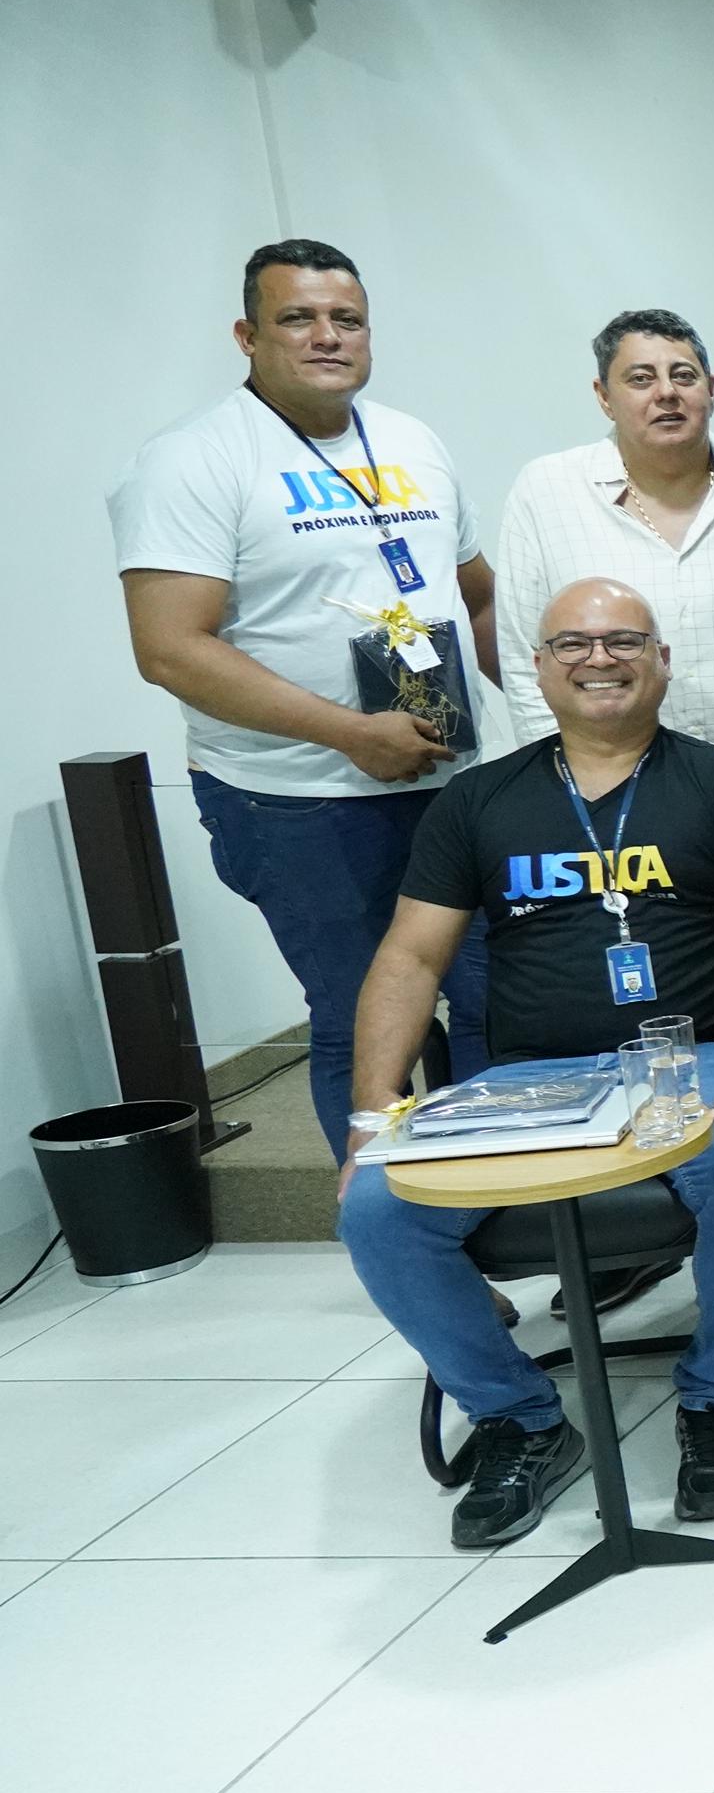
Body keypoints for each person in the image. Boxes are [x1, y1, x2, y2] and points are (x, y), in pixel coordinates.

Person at [332, 579, 714, 1545]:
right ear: (538, 669)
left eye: (625, 639)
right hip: (532, 1080)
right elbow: (410, 958)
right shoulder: (481, 802)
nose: (601, 658)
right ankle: (520, 1419)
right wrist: (371, 1112)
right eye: (574, 644)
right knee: (378, 1208)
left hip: (691, 1060)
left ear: (663, 662)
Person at [113, 239, 495, 1158]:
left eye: (347, 319)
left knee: (495, 999)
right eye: (298, 317)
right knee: (368, 1022)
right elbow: (169, 649)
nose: (328, 336)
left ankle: (513, 1213)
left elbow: (475, 592)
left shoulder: (411, 439)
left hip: (449, 784)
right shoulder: (190, 461)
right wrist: (351, 734)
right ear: (248, 334)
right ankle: (412, 1253)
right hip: (301, 801)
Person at [493, 311, 714, 827]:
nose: (666, 393)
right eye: (640, 378)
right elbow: (522, 660)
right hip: (613, 809)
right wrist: (563, 799)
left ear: (711, 389)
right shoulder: (546, 491)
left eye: (683, 375)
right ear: (604, 396)